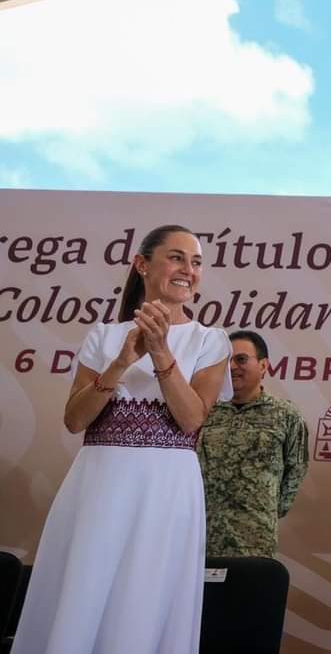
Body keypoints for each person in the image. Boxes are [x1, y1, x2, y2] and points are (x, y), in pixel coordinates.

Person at [12, 225, 231, 654]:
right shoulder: (104, 336)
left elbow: (190, 420)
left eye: (197, 262)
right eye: (177, 257)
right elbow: (75, 421)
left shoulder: (210, 341)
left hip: (166, 489)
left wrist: (162, 351)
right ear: (142, 264)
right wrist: (121, 363)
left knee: (146, 595)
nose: (189, 270)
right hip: (100, 485)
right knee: (84, 590)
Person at [198, 330, 309, 557]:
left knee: (248, 592)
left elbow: (296, 468)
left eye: (241, 359)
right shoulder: (203, 409)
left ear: (263, 365)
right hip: (200, 534)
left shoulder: (285, 414)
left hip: (255, 537)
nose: (232, 367)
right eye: (226, 361)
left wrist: (265, 508)